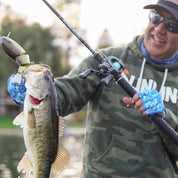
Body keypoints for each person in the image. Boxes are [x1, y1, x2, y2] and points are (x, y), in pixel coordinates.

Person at [7, 0, 178, 177]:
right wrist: (33, 91)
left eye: (172, 25)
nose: (159, 28)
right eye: (156, 17)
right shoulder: (106, 61)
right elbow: (65, 95)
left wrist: (167, 118)